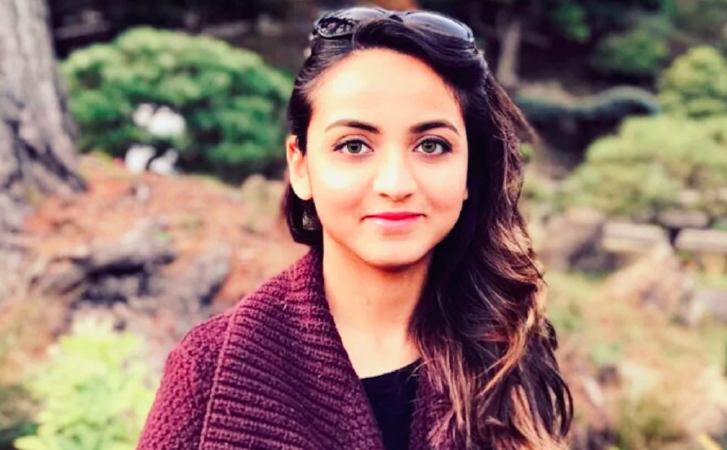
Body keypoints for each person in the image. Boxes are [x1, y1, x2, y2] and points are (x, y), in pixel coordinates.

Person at [137, 6, 572, 450]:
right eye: (354, 146)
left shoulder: (507, 352)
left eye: (431, 145)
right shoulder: (207, 370)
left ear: (469, 171)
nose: (395, 185)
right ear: (300, 166)